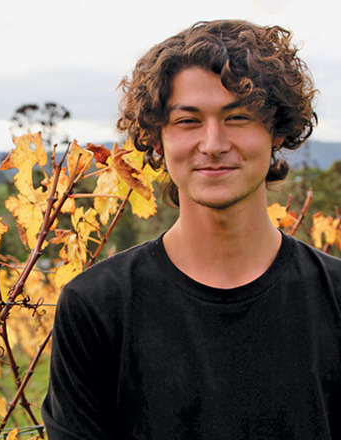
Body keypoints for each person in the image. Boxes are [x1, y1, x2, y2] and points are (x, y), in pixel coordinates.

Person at [42, 20, 341, 439]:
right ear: (157, 140)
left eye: (237, 117)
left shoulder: (336, 298)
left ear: (276, 133)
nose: (213, 142)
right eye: (188, 121)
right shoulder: (96, 307)